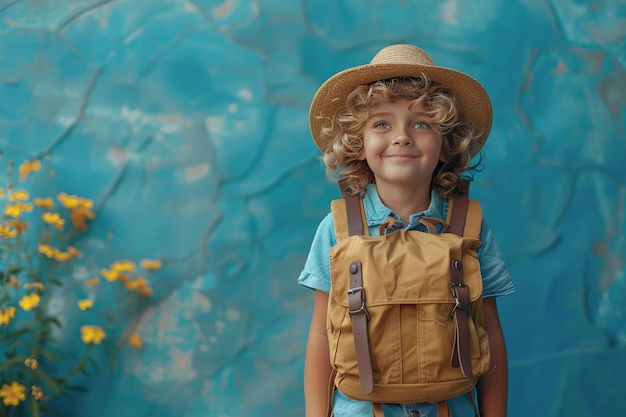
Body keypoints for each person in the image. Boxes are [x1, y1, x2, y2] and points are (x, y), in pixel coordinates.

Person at [298, 44, 514, 417]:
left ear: (446, 144)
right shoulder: (336, 229)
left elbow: (490, 331)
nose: (402, 136)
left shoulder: (470, 227)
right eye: (382, 124)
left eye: (421, 123)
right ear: (358, 143)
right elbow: (321, 333)